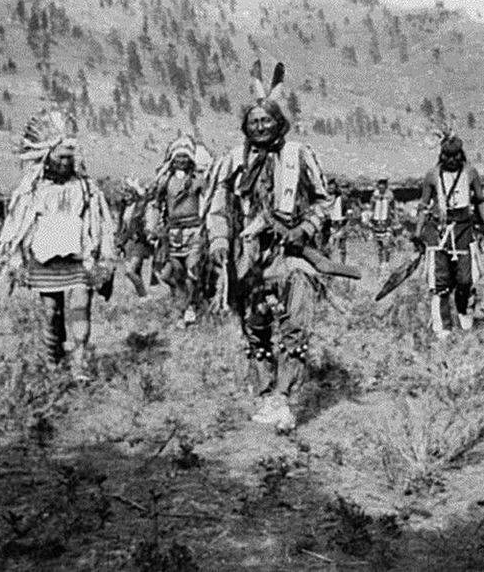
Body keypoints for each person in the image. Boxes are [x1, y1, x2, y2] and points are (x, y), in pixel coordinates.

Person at [205, 71, 329, 432]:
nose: (260, 126)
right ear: (245, 126)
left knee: (296, 323)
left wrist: (305, 228)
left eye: (266, 120)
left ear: (279, 123)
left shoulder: (299, 155)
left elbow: (322, 200)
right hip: (249, 256)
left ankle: (284, 397)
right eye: (253, 121)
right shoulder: (233, 160)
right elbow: (216, 205)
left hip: (292, 252)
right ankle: (264, 393)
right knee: (255, 327)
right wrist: (219, 241)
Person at [0, 109, 116, 377]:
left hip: (80, 257)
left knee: (81, 306)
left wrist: (103, 255)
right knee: (51, 312)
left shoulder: (86, 188)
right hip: (45, 258)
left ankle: (80, 363)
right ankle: (53, 361)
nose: (66, 163)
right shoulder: (32, 189)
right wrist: (16, 256)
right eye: (61, 157)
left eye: (70, 158)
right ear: (47, 157)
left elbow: (101, 223)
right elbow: (17, 224)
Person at [413, 135, 484, 339]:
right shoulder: (432, 175)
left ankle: (465, 315)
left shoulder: (471, 173)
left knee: (465, 280)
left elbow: (480, 200)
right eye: (447, 156)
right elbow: (424, 205)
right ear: (441, 155)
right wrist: (417, 232)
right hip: (438, 232)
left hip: (464, 230)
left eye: (455, 155)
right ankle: (443, 330)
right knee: (440, 282)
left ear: (461, 154)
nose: (451, 160)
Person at [145, 135, 210, 325]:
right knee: (178, 272)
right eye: (178, 157)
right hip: (173, 233)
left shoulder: (198, 179)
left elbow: (206, 203)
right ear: (172, 159)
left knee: (193, 269)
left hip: (194, 230)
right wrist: (152, 227)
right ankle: (184, 306)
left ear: (190, 159)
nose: (181, 161)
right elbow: (156, 205)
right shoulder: (165, 181)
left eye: (185, 157)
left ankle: (190, 307)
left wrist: (208, 225)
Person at [370, 178, 394, 273]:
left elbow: (391, 206)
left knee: (386, 244)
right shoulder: (374, 195)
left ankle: (386, 264)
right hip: (377, 222)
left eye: (383, 186)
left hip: (386, 222)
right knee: (379, 245)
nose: (381, 188)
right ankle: (380, 264)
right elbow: (372, 206)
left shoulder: (390, 195)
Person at [321, 178, 348, 262]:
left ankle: (343, 264)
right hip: (328, 224)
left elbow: (348, 213)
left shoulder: (342, 199)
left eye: (332, 188)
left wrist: (345, 224)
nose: (330, 190)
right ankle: (327, 261)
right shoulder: (324, 198)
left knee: (341, 246)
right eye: (329, 188)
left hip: (340, 224)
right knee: (326, 245)